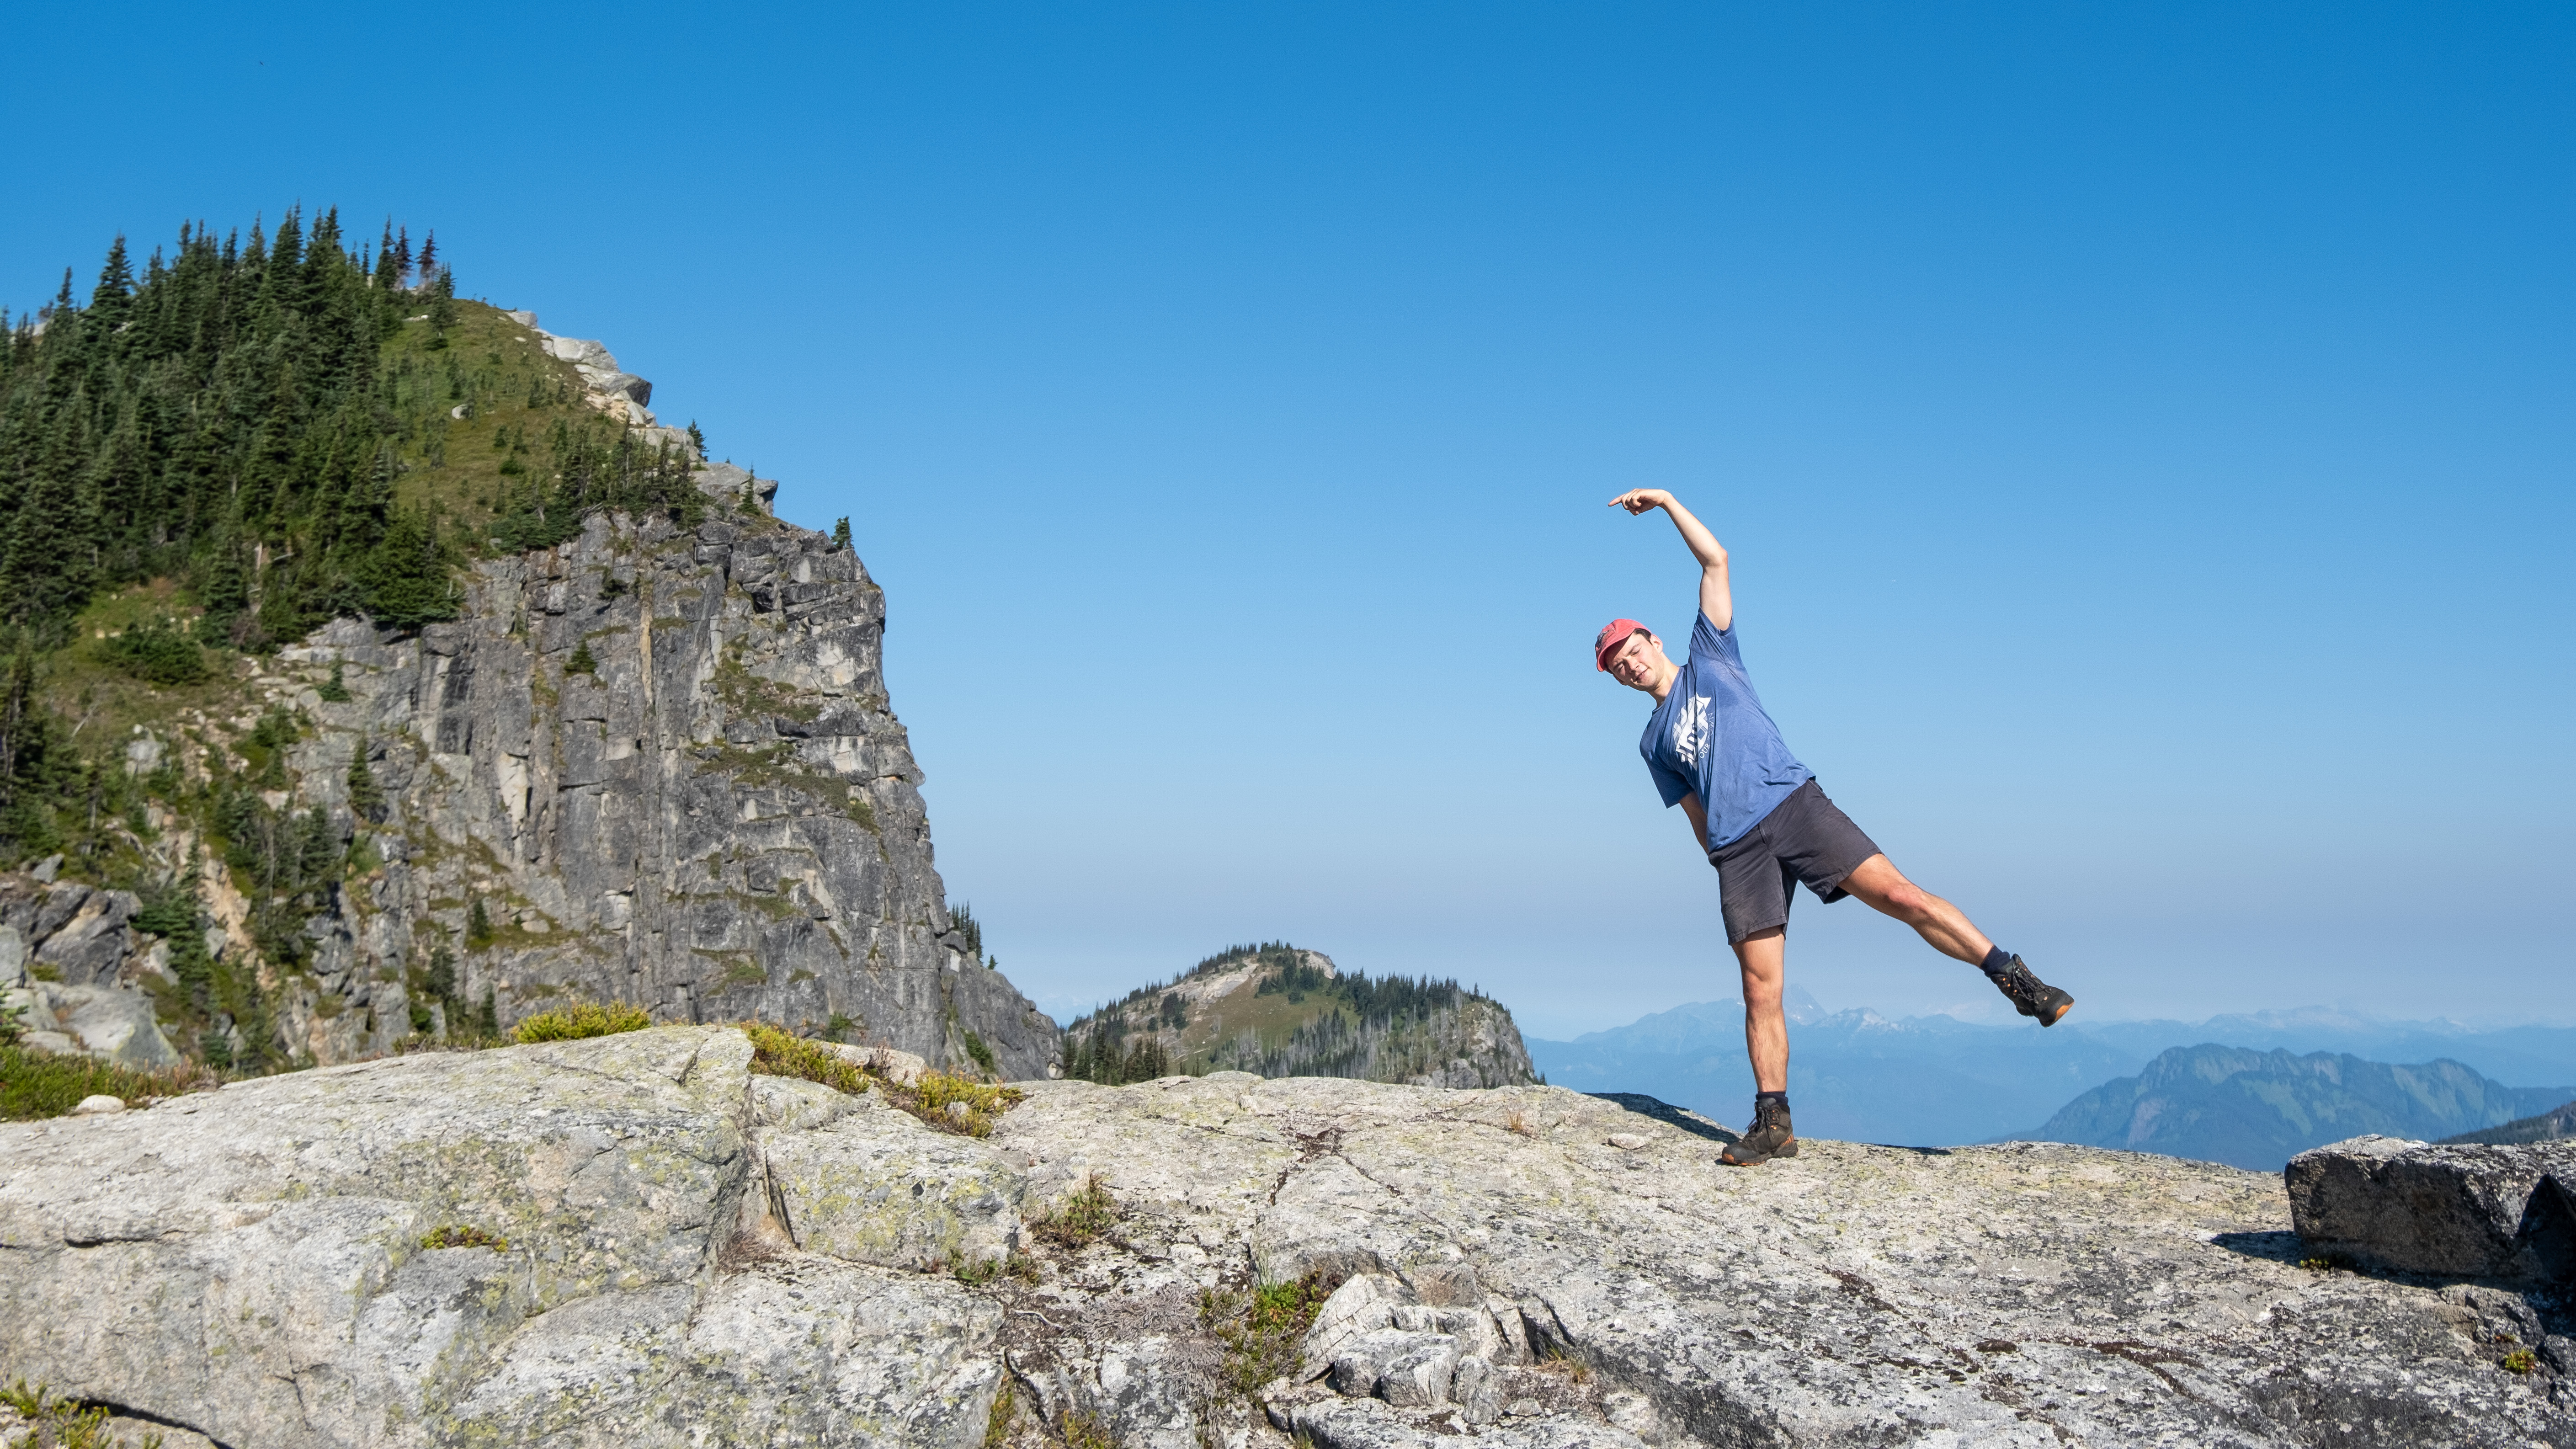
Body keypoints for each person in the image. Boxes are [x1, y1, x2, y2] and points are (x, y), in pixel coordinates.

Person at [1598, 488, 2074, 1167]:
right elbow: (1696, 817)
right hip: (1738, 852)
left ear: (1654, 639)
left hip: (1795, 805)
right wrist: (1724, 863)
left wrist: (1669, 502)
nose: (1629, 662)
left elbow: (1716, 560)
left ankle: (2018, 980)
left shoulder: (1712, 653)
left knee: (1902, 896)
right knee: (1760, 988)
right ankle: (1774, 1122)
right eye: (1617, 664)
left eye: (1631, 648)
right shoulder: (1652, 744)